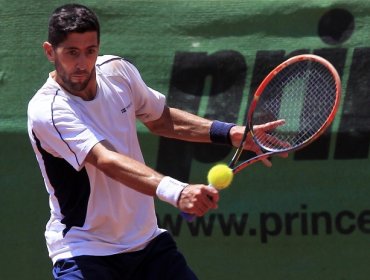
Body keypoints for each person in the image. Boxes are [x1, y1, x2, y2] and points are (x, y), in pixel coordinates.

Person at [27, 3, 284, 280]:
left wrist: (231, 133)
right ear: (50, 51)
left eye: (90, 51)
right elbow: (106, 159)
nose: (82, 63)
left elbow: (160, 119)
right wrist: (178, 192)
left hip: (148, 245)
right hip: (85, 251)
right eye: (72, 53)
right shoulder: (48, 109)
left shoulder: (117, 72)